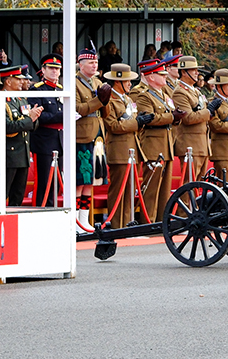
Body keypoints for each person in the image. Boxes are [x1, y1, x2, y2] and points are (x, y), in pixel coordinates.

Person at [131, 59, 174, 220]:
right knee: (151, 189)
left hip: (166, 144)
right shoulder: (144, 96)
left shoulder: (164, 95)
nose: (165, 77)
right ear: (151, 77)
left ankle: (162, 220)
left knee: (164, 190)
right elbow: (150, 118)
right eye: (161, 75)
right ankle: (148, 221)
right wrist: (172, 117)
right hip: (153, 145)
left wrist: (176, 117)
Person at [101, 64, 142, 228]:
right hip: (119, 150)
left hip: (132, 149)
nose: (130, 84)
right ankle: (116, 224)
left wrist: (139, 122)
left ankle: (127, 223)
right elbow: (113, 126)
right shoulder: (109, 100)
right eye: (127, 81)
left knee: (130, 190)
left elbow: (131, 120)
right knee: (118, 190)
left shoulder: (128, 99)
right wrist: (137, 123)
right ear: (118, 81)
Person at [75, 47, 112, 229]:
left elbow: (106, 113)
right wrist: (99, 100)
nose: (94, 65)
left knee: (92, 180)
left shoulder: (98, 81)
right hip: (82, 135)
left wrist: (106, 100)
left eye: (96, 62)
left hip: (98, 135)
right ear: (81, 65)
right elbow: (78, 109)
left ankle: (84, 219)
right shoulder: (74, 83)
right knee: (80, 180)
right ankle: (75, 221)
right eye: (90, 62)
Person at [0, 66, 42, 206]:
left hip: (23, 153)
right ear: (8, 82)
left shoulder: (21, 99)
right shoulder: (1, 100)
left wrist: (33, 118)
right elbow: (7, 127)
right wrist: (29, 119)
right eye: (17, 79)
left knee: (18, 195)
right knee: (3, 194)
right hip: (9, 154)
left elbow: (32, 125)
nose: (21, 82)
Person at [28, 54, 65, 206]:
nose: (54, 71)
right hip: (43, 140)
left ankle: (52, 210)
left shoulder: (61, 90)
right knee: (43, 182)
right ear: (43, 70)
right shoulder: (36, 89)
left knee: (56, 182)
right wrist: (61, 116)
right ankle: (40, 210)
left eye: (57, 69)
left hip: (59, 139)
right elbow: (38, 116)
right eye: (51, 68)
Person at [171, 56, 211, 179]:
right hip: (190, 145)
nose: (197, 73)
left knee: (200, 184)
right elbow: (187, 118)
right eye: (193, 70)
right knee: (189, 184)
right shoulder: (180, 92)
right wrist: (209, 112)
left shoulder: (196, 91)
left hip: (201, 145)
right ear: (184, 72)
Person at [206, 69, 228, 181]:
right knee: (223, 184)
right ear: (219, 86)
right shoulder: (212, 103)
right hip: (222, 151)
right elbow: (216, 126)